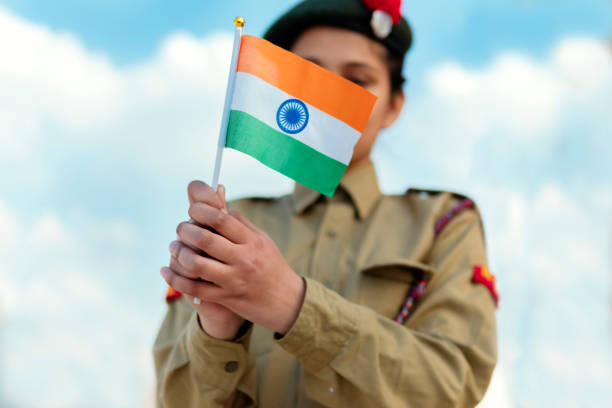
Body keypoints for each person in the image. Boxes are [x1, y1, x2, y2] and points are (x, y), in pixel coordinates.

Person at [153, 0, 498, 407]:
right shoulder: (230, 231)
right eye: (311, 75)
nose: (331, 98)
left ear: (394, 105)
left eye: (358, 79)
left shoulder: (444, 223)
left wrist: (292, 304)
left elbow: (453, 386)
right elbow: (173, 400)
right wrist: (218, 332)